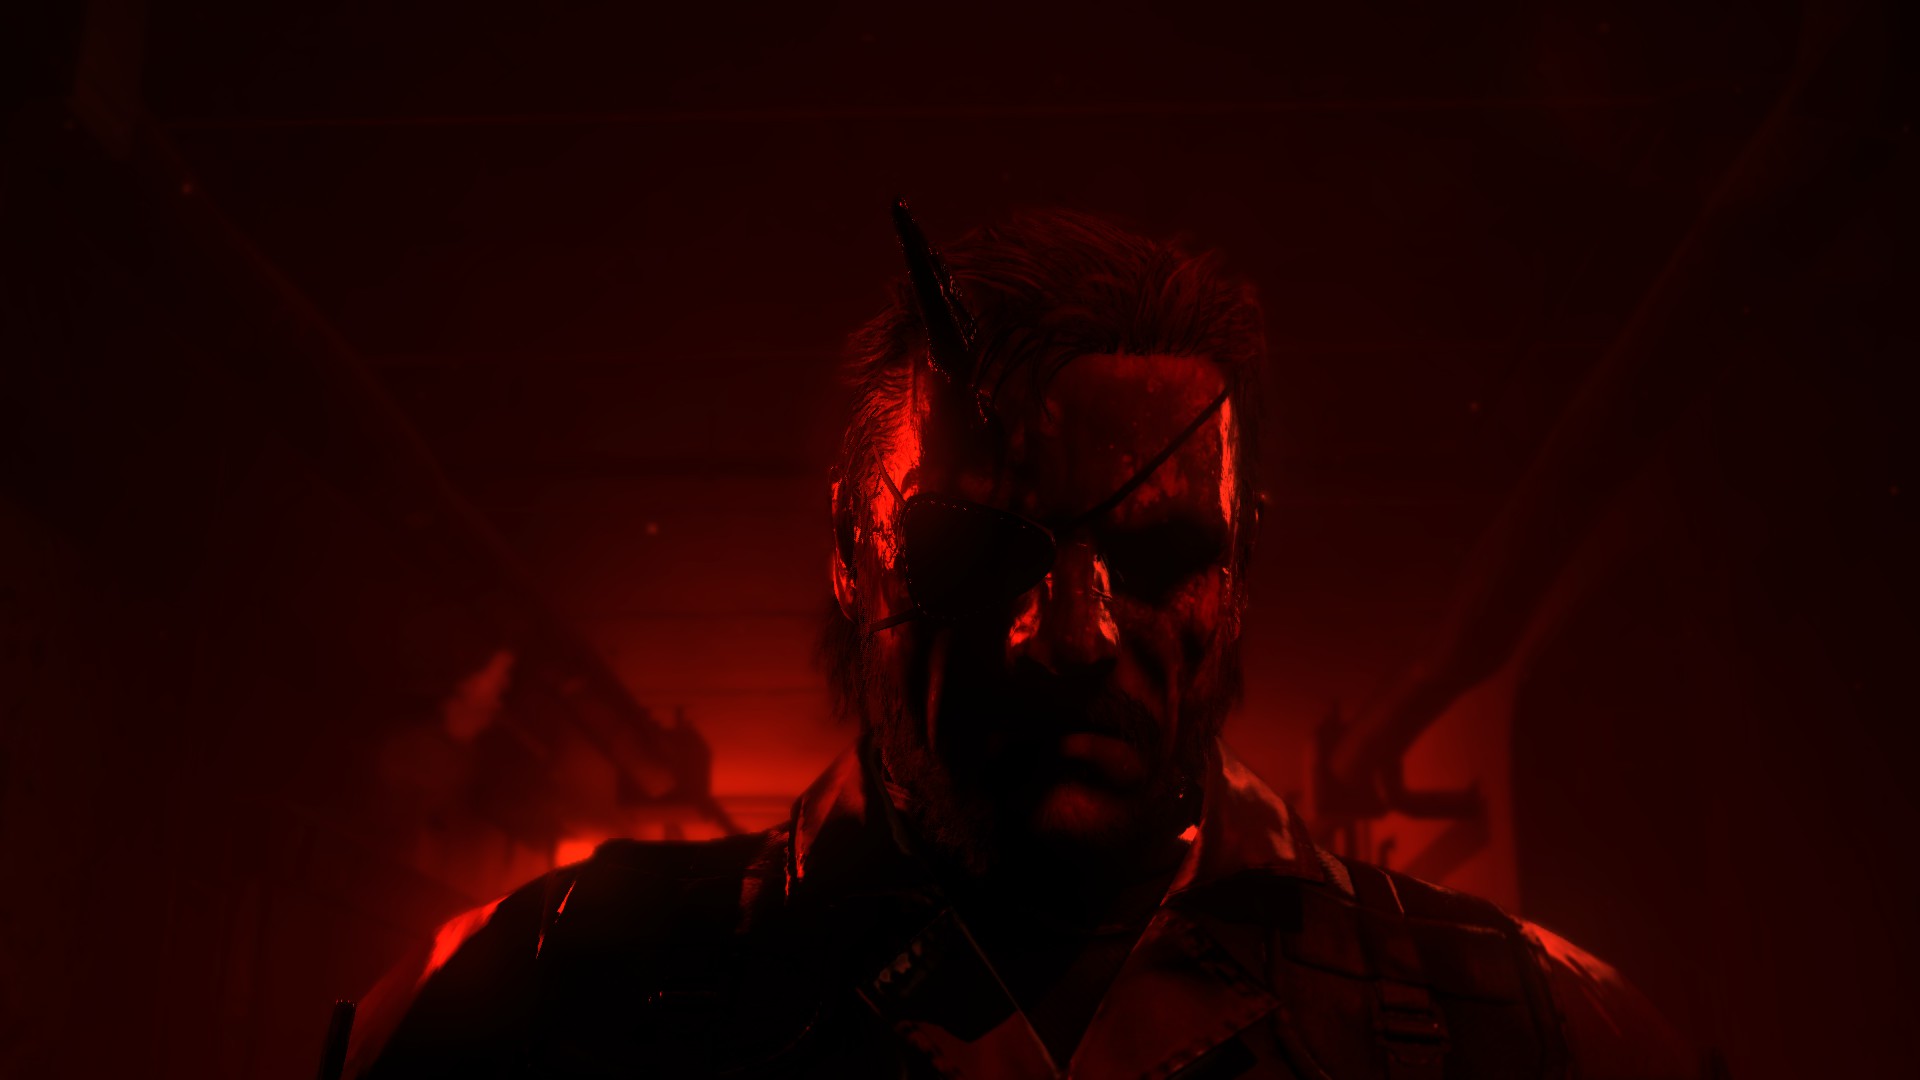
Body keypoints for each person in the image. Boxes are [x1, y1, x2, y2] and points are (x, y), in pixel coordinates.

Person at [343, 203, 1699, 1079]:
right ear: (852, 549)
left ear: (1239, 575)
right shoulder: (529, 997)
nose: (1073, 636)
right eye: (980, 553)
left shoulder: (1532, 1029)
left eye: (1158, 559)